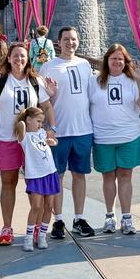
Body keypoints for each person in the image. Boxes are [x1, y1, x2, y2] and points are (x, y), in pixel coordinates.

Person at [0, 41, 54, 247]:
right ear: (8, 58)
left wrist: (51, 128)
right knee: (8, 183)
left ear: (28, 59)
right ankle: (7, 227)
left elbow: (45, 105)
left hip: (33, 142)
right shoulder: (0, 81)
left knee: (35, 185)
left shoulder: (35, 81)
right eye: (15, 56)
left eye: (23, 56)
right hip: (7, 139)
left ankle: (35, 228)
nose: (19, 59)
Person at [39, 26, 97, 238]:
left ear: (78, 41)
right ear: (58, 41)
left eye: (73, 39)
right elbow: (43, 100)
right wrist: (47, 127)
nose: (70, 43)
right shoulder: (48, 67)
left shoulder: (84, 65)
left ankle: (79, 218)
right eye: (66, 39)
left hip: (83, 129)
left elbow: (92, 95)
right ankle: (59, 219)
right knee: (58, 176)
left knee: (80, 175)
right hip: (59, 131)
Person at [89, 43, 140, 235]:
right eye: (113, 58)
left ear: (125, 62)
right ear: (107, 60)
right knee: (108, 176)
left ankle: (127, 217)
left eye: (120, 59)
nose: (117, 62)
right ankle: (109, 216)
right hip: (103, 137)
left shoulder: (132, 81)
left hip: (128, 135)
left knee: (125, 176)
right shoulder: (95, 81)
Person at [16, 106, 60, 252]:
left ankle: (42, 235)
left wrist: (52, 142)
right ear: (29, 120)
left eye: (42, 122)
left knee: (49, 206)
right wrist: (24, 116)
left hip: (50, 172)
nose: (41, 124)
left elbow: (51, 140)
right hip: (35, 175)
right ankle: (28, 238)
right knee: (36, 207)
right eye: (38, 121)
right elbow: (20, 125)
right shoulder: (24, 137)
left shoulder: (42, 132)